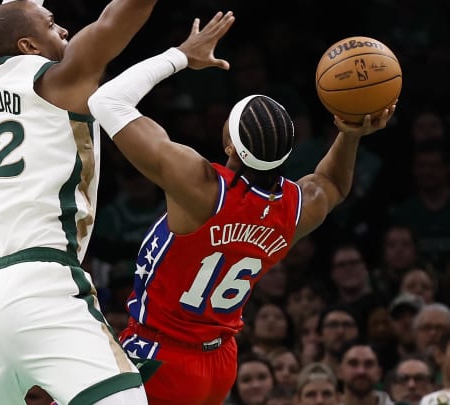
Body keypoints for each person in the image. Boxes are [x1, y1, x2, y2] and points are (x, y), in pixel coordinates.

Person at [87, 11, 396, 405]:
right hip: (219, 363)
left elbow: (106, 99)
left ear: (230, 145)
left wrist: (181, 55)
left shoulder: (200, 186)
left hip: (160, 355)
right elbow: (332, 183)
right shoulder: (294, 209)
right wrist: (349, 134)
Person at [0, 0, 160, 403]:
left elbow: (1, 27)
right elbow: (119, 17)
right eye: (51, 23)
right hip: (42, 282)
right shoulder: (60, 81)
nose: (63, 31)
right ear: (27, 45)